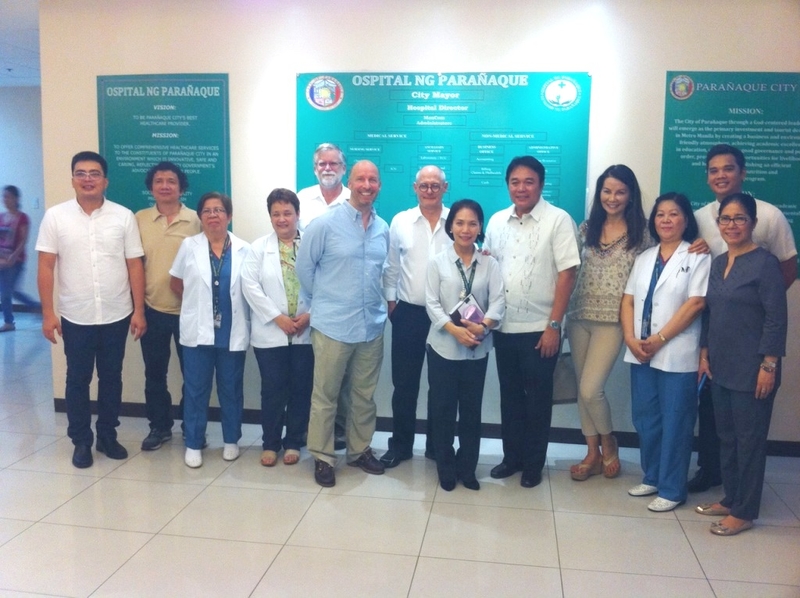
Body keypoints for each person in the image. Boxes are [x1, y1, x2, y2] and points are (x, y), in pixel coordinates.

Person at [688, 144, 797, 493]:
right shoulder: (701, 220)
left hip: (751, 344)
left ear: (743, 173)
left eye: (729, 168)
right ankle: (717, 478)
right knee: (717, 419)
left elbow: (785, 276)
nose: (721, 175)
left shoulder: (769, 220)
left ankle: (743, 501)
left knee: (748, 429)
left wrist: (752, 306)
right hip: (716, 339)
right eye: (713, 170)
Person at [36, 151, 146, 469]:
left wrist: (139, 310)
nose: (87, 179)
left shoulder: (123, 216)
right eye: (81, 173)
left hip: (116, 312)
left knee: (111, 378)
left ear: (105, 181)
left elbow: (134, 265)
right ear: (73, 179)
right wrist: (47, 313)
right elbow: (46, 266)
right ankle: (81, 441)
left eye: (94, 173)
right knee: (77, 379)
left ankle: (107, 436)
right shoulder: (55, 217)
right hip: (76, 315)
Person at [484, 155, 580, 488]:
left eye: (529, 182)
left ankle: (533, 465)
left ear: (540, 184)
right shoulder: (497, 221)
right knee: (510, 396)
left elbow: (568, 273)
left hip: (541, 329)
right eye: (515, 182)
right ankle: (512, 458)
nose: (521, 188)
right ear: (507, 185)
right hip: (504, 326)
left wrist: (555, 325)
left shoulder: (558, 220)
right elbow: (488, 267)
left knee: (538, 400)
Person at [695, 193, 787, 536]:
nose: (731, 225)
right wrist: (704, 353)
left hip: (754, 368)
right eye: (725, 219)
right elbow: (710, 312)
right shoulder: (719, 262)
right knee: (727, 437)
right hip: (720, 365)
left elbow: (776, 319)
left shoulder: (765, 264)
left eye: (739, 218)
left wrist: (769, 365)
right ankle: (731, 497)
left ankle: (745, 512)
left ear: (753, 223)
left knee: (749, 441)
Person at [296, 160, 389, 488]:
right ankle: (323, 456)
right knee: (326, 395)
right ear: (350, 182)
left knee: (363, 395)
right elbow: (304, 270)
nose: (367, 185)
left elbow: (383, 272)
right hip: (333, 326)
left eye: (373, 180)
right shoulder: (324, 224)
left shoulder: (382, 228)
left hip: (371, 326)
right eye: (361, 179)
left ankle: (359, 450)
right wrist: (325, 301)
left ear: (379, 185)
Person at [621, 192, 710, 512]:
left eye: (674, 214)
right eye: (660, 214)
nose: (666, 220)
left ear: (686, 220)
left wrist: (659, 339)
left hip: (676, 351)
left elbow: (696, 303)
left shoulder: (698, 256)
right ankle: (653, 476)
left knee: (676, 421)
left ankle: (672, 489)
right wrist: (630, 338)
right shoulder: (645, 257)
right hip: (641, 350)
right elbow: (628, 300)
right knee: (646, 418)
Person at [566, 165, 652, 481]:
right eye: (607, 191)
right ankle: (592, 453)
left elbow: (664, 261)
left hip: (614, 321)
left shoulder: (644, 233)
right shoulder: (586, 227)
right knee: (582, 389)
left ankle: (608, 441)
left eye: (620, 192)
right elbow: (568, 268)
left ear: (630, 195)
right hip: (578, 316)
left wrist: (698, 245)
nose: (612, 198)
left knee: (592, 389)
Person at [425, 199, 504, 491]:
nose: (466, 229)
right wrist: (454, 330)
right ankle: (446, 468)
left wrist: (484, 326)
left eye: (472, 223)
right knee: (443, 410)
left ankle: (467, 468)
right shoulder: (437, 262)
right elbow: (431, 303)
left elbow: (498, 301)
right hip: (443, 348)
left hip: (477, 349)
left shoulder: (489, 264)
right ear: (451, 227)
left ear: (480, 227)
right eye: (459, 223)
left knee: (471, 412)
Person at [169, 192, 250, 468]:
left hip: (231, 332)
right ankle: (193, 443)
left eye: (219, 210)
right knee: (195, 390)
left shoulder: (244, 249)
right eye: (207, 210)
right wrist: (199, 304)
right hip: (197, 333)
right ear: (200, 217)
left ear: (229, 215)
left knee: (231, 389)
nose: (213, 215)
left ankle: (231, 440)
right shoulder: (188, 246)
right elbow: (176, 283)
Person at [380, 165, 451, 468]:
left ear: (445, 188)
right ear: (415, 187)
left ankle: (437, 447)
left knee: (442, 386)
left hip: (447, 317)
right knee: (404, 384)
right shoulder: (401, 221)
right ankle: (401, 446)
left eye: (435, 185)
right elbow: (391, 266)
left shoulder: (456, 220)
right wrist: (391, 303)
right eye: (424, 185)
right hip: (408, 313)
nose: (429, 190)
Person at [242, 188, 312, 467]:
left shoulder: (311, 244)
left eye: (287, 213)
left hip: (306, 331)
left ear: (297, 214)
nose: (282, 219)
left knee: (301, 389)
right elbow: (250, 286)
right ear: (270, 217)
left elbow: (327, 282)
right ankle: (270, 443)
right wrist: (277, 317)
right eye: (276, 214)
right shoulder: (258, 248)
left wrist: (310, 315)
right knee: (272, 390)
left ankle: (293, 441)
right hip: (271, 332)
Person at [135, 162, 201, 451]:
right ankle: (159, 427)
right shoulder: (139, 219)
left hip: (190, 312)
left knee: (193, 375)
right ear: (151, 187)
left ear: (181, 187)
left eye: (171, 181)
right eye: (159, 181)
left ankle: (191, 427)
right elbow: (134, 265)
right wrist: (138, 310)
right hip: (153, 310)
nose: (165, 186)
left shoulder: (196, 220)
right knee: (154, 374)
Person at [297, 142, 350, 450]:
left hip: (343, 302)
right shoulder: (302, 199)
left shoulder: (354, 200)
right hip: (309, 297)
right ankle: (312, 430)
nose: (328, 168)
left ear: (343, 168)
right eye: (322, 164)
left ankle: (339, 430)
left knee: (340, 375)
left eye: (334, 164)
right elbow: (298, 253)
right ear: (315, 168)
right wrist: (312, 302)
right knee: (314, 373)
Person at [0, 185, 40, 332]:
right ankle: (36, 307)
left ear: (16, 199)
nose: (5, 199)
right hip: (1, 261)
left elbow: (23, 240)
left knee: (6, 292)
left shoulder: (22, 218)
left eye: (8, 197)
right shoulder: (1, 217)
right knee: (9, 291)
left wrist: (13, 256)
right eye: (4, 197)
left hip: (15, 262)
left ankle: (9, 322)